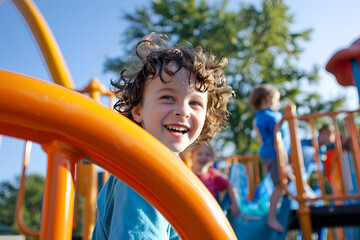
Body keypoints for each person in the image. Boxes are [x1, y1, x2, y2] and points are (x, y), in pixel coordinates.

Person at [92, 32, 234, 239]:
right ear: (138, 109)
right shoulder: (142, 174)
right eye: (168, 97)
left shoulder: (167, 168)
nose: (183, 111)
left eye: (195, 103)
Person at [249, 84, 291, 233]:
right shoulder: (272, 116)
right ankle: (271, 217)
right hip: (275, 154)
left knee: (289, 178)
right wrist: (284, 157)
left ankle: (295, 199)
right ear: (267, 100)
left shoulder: (259, 117)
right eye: (276, 100)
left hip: (269, 153)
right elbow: (278, 138)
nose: (278, 104)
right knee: (281, 184)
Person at [191, 143, 241, 218]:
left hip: (210, 215)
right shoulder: (187, 174)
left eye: (207, 155)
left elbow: (229, 185)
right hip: (192, 212)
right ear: (192, 157)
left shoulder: (214, 175)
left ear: (212, 160)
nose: (203, 157)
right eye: (199, 153)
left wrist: (234, 204)